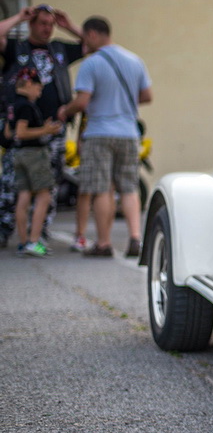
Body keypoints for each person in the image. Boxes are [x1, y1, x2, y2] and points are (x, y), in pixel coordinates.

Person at [57, 16, 151, 258]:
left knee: (101, 189)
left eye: (85, 38)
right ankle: (135, 238)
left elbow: (82, 101)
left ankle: (104, 243)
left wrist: (65, 111)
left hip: (99, 132)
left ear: (92, 35)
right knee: (129, 188)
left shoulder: (92, 64)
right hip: (128, 133)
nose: (83, 44)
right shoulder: (134, 60)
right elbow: (147, 96)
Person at [0, 4, 84, 249]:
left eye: (50, 24)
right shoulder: (17, 47)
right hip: (19, 130)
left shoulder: (59, 49)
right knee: (12, 184)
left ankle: (39, 232)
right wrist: (18, 17)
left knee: (49, 184)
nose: (47, 29)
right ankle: (5, 230)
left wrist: (69, 26)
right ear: (32, 24)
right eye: (42, 23)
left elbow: (93, 45)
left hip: (53, 131)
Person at [9, 68, 62, 256]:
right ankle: (33, 240)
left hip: (19, 153)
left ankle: (24, 242)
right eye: (39, 89)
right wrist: (46, 130)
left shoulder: (13, 105)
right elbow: (21, 132)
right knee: (44, 195)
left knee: (23, 195)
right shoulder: (26, 106)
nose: (39, 94)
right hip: (33, 154)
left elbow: (9, 133)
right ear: (29, 84)